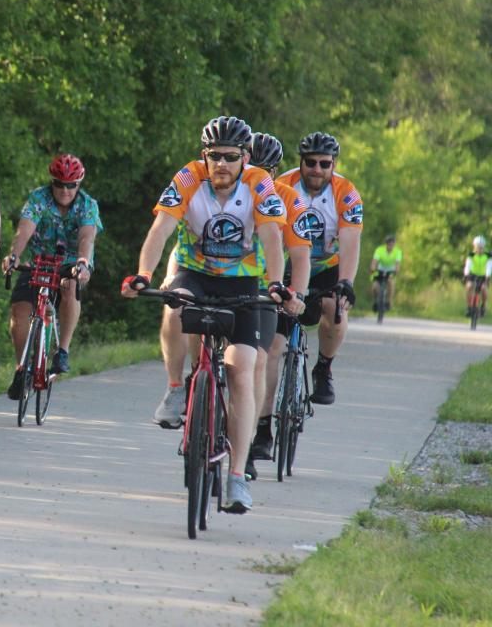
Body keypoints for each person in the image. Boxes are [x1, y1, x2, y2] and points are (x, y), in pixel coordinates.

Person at [122, 116, 296, 514]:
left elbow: (271, 237)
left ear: (245, 158)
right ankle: (176, 388)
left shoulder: (259, 183)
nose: (221, 163)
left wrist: (274, 283)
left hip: (243, 282)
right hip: (194, 272)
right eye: (214, 156)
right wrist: (143, 274)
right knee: (173, 300)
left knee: (241, 367)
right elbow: (161, 229)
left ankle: (237, 478)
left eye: (230, 157)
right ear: (204, 155)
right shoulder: (187, 178)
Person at [2, 154, 103, 397]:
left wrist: (83, 262)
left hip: (71, 263)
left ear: (79, 183)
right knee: (19, 310)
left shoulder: (88, 205)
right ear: (52, 182)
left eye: (71, 185)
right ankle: (23, 368)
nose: (65, 190)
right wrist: (14, 255)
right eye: (59, 184)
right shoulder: (39, 198)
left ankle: (63, 350)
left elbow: (87, 236)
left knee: (69, 287)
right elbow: (24, 229)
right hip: (39, 261)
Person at [276, 132, 363, 406]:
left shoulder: (346, 193)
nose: (317, 169)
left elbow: (350, 243)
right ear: (300, 162)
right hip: (288, 260)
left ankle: (323, 367)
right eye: (310, 162)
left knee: (336, 309)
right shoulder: (282, 185)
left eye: (324, 163)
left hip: (326, 264)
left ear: (333, 164)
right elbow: (271, 237)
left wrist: (346, 282)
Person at [247, 133, 310, 467]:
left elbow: (300, 257)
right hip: (235, 280)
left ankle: (261, 425)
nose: (257, 175)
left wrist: (295, 295)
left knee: (272, 349)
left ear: (274, 172)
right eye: (251, 166)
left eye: (265, 169)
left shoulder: (289, 198)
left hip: (276, 283)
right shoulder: (230, 192)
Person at [370, 235, 402, 311]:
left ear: (394, 244)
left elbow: (397, 264)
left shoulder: (398, 252)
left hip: (391, 269)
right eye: (389, 244)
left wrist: (396, 271)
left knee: (391, 282)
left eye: (392, 244)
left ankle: (389, 301)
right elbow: (374, 261)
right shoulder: (379, 250)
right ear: (386, 244)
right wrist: (373, 268)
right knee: (374, 287)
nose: (390, 246)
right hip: (380, 268)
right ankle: (376, 300)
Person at [464, 235, 491, 317]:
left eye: (481, 247)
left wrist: (487, 277)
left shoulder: (488, 256)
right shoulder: (471, 255)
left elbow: (489, 267)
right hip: (472, 274)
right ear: (474, 247)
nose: (479, 249)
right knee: (469, 287)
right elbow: (467, 266)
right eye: (477, 247)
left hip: (483, 276)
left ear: (483, 247)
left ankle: (483, 306)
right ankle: (469, 307)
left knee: (483, 289)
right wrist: (466, 274)